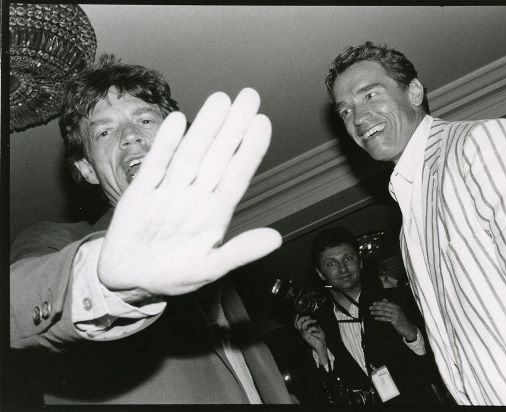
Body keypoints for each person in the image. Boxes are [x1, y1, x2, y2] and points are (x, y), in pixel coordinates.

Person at [324, 42, 506, 406]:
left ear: (414, 92)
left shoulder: (483, 144)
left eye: (370, 94)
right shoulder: (409, 222)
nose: (359, 117)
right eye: (346, 111)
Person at [9, 55, 293, 404]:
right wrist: (103, 284)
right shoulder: (57, 241)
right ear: (87, 169)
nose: (130, 136)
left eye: (145, 119)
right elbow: (16, 306)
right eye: (104, 131)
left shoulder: (219, 273)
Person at [294, 227, 442, 406]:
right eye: (331, 263)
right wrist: (321, 354)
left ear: (360, 262)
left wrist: (411, 333)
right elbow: (326, 400)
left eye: (348, 258)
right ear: (320, 273)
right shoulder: (320, 330)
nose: (342, 269)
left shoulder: (398, 301)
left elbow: (436, 372)